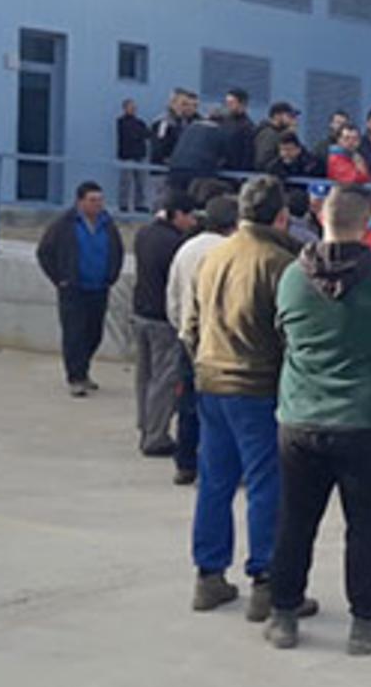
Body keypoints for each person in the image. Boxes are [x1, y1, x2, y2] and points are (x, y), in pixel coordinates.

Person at [263, 187, 371, 654]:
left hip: (300, 417)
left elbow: (281, 333)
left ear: (319, 217)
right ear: (369, 220)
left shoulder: (292, 278)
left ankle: (283, 612)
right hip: (368, 419)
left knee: (294, 520)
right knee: (368, 527)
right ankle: (368, 618)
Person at [182, 176, 303, 621]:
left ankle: (208, 575)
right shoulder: (280, 262)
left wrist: (202, 361)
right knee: (265, 484)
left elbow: (189, 322)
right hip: (257, 386)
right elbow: (292, 331)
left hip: (211, 381)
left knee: (215, 480)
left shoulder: (213, 255)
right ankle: (266, 580)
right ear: (282, 215)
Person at [168, 195, 238, 487]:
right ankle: (222, 466)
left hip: (188, 337)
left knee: (188, 404)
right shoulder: (231, 252)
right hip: (223, 342)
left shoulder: (186, 250)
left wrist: (183, 327)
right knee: (223, 410)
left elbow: (172, 296)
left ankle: (185, 464)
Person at [36, 181, 124, 398]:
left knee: (94, 333)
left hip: (99, 287)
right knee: (74, 333)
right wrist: (60, 279)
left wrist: (112, 275)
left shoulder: (108, 224)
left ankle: (84, 370)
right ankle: (75, 377)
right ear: (80, 202)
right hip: (73, 289)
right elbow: (44, 252)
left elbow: (118, 251)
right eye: (92, 200)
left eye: (100, 200)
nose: (97, 205)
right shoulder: (64, 225)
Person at [132, 189, 197, 459]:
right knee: (165, 378)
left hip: (140, 313)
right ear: (178, 215)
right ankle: (156, 435)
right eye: (189, 216)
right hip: (163, 318)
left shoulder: (144, 234)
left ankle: (146, 425)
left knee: (144, 375)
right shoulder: (175, 244)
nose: (192, 221)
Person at [148, 89, 198, 179]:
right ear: (173, 103)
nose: (186, 108)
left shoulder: (183, 122)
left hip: (177, 171)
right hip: (163, 173)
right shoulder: (164, 122)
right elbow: (158, 147)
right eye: (183, 104)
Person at [116, 99, 150, 213]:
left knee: (140, 183)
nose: (133, 109)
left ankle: (140, 204)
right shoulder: (121, 122)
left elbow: (147, 134)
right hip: (127, 156)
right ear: (125, 108)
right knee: (125, 183)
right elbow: (131, 136)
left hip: (139, 156)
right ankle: (123, 204)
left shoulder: (140, 122)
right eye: (131, 107)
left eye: (134, 107)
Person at [252, 101, 301, 172]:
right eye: (290, 116)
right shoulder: (269, 135)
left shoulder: (281, 133)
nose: (293, 120)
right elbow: (263, 163)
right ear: (277, 116)